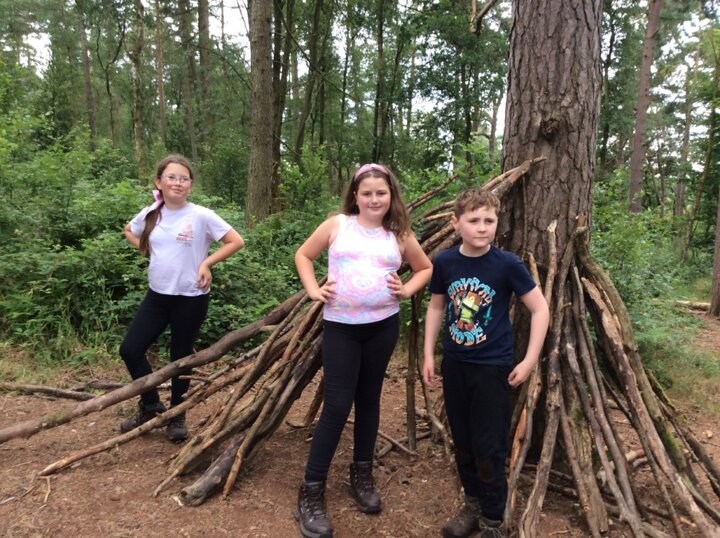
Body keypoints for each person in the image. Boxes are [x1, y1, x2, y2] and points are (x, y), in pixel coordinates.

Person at [293, 163, 432, 538]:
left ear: (391, 195)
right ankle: (311, 489)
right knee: (338, 405)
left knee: (369, 400)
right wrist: (313, 289)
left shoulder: (399, 233)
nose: (374, 199)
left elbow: (425, 268)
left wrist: (406, 289)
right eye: (367, 193)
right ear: (355, 195)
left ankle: (362, 474)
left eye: (381, 193)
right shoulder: (337, 225)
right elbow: (304, 255)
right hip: (341, 327)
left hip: (382, 327)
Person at [422, 188, 549, 538]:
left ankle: (494, 520)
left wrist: (530, 359)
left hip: (492, 369)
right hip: (455, 365)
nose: (482, 227)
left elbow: (540, 309)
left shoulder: (507, 264)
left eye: (489, 220)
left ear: (497, 223)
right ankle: (473, 505)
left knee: (489, 446)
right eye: (473, 220)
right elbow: (437, 306)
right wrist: (429, 353)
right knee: (463, 441)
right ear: (456, 222)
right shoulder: (445, 262)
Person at [119, 154, 244, 442]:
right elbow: (129, 230)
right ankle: (150, 405)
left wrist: (207, 263)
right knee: (130, 349)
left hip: (191, 298)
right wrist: (147, 249)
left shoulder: (201, 215)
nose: (177, 182)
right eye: (171, 177)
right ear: (158, 182)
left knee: (181, 357)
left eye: (183, 178)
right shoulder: (151, 213)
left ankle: (177, 415)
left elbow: (236, 241)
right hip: (157, 296)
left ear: (191, 185)